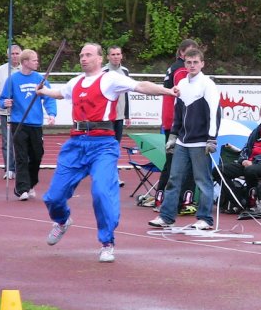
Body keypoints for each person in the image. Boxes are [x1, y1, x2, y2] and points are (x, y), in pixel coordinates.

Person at [36, 42, 178, 263]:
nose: (83, 58)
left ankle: (107, 243)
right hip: (76, 144)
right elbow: (59, 93)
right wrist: (43, 91)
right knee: (54, 196)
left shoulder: (110, 79)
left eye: (88, 55)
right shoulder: (75, 82)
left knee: (102, 192)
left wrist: (168, 91)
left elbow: (141, 86)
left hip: (102, 144)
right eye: (81, 55)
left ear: (100, 59)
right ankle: (62, 220)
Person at [148, 48, 221, 230]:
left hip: (200, 142)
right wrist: (173, 135)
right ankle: (166, 216)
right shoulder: (181, 83)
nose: (192, 65)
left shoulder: (208, 85)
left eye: (195, 62)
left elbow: (214, 113)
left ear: (202, 64)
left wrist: (212, 139)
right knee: (174, 179)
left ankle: (205, 219)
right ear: (184, 63)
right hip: (182, 141)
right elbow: (178, 112)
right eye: (189, 62)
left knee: (203, 181)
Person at [0, 49, 57, 201]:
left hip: (35, 124)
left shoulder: (40, 79)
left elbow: (49, 98)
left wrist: (51, 114)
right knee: (21, 157)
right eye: (34, 60)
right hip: (19, 123)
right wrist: (5, 103)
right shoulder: (12, 79)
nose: (37, 62)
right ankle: (22, 189)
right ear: (25, 62)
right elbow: (2, 99)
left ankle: (31, 183)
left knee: (37, 155)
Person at [213, 101, 261, 212]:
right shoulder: (256, 131)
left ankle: (252, 201)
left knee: (250, 170)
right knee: (218, 170)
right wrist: (243, 160)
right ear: (260, 115)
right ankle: (238, 201)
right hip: (248, 163)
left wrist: (255, 161)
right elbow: (246, 148)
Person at [154, 39, 199, 212]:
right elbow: (184, 95)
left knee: (171, 160)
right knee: (185, 161)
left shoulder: (173, 67)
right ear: (181, 53)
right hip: (179, 121)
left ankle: (161, 197)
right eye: (190, 52)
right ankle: (183, 200)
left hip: (171, 120)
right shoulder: (181, 70)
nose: (192, 58)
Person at [0, 44, 22, 179]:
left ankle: (22, 169)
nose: (15, 56)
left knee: (22, 141)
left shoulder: (26, 70)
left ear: (21, 54)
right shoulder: (1, 70)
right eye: (12, 54)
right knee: (7, 141)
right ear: (8, 55)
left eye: (17, 53)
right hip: (6, 113)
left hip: (23, 114)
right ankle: (9, 169)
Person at [102, 45, 130, 187]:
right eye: (113, 54)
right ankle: (109, 175)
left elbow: (127, 93)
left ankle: (112, 174)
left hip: (119, 116)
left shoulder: (125, 71)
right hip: (107, 117)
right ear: (108, 57)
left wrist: (127, 114)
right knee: (106, 146)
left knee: (115, 146)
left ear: (121, 55)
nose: (116, 57)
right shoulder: (103, 72)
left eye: (118, 54)